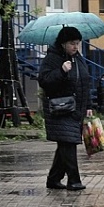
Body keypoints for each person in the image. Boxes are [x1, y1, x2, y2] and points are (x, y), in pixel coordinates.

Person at [38, 26, 91, 190]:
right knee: (68, 142)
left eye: (77, 43)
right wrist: (61, 71)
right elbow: (44, 80)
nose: (75, 47)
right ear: (63, 44)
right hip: (60, 108)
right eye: (72, 43)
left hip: (76, 109)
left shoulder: (78, 58)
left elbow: (84, 82)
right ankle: (74, 180)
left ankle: (54, 179)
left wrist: (88, 105)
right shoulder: (52, 58)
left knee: (65, 143)